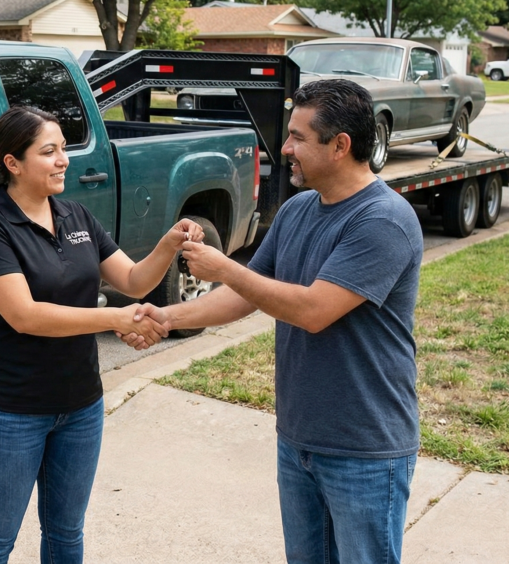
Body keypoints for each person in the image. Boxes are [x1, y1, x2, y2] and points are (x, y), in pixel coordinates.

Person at [127, 79, 424, 564]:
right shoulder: (299, 210)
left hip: (365, 449)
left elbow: (312, 311)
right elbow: (243, 297)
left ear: (340, 145)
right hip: (300, 438)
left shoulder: (381, 221)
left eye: (298, 137)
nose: (284, 148)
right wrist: (165, 316)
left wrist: (223, 265)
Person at [0, 105, 201, 564]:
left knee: (67, 534)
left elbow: (132, 281)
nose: (63, 160)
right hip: (9, 411)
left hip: (80, 406)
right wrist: (114, 320)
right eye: (48, 152)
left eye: (63, 149)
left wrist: (169, 243)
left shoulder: (75, 216)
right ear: (12, 163)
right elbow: (25, 316)